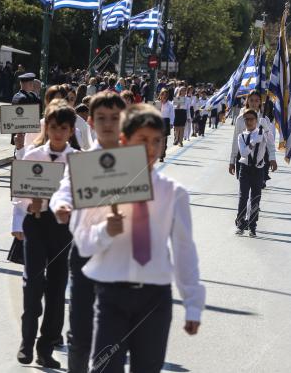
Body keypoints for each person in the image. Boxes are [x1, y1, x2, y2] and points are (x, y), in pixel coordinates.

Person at [75, 104, 205, 373]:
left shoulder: (173, 193)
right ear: (124, 141)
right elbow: (83, 242)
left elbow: (184, 250)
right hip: (112, 295)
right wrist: (105, 231)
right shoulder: (101, 182)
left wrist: (193, 304)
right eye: (142, 140)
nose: (151, 149)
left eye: (156, 141)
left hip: (154, 300)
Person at [49, 92, 126, 373]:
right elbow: (63, 190)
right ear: (91, 121)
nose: (108, 124)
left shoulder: (133, 162)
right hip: (84, 252)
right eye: (102, 118)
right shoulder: (81, 161)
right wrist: (61, 206)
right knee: (80, 334)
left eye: (114, 118)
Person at [12, 100, 78, 367]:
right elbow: (19, 195)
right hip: (36, 224)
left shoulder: (76, 160)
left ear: (71, 130)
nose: (58, 133)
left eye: (63, 128)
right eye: (53, 127)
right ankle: (27, 341)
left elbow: (83, 197)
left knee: (57, 287)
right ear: (47, 128)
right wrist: (28, 209)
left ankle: (46, 346)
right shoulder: (33, 155)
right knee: (33, 283)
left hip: (63, 229)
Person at [233, 109, 277, 237]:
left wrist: (266, 129)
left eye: (252, 119)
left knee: (256, 199)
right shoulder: (241, 136)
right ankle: (241, 224)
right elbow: (244, 152)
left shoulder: (262, 132)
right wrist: (253, 142)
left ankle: (252, 226)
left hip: (258, 170)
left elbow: (270, 144)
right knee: (243, 197)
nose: (249, 122)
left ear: (256, 120)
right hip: (245, 169)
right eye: (247, 119)